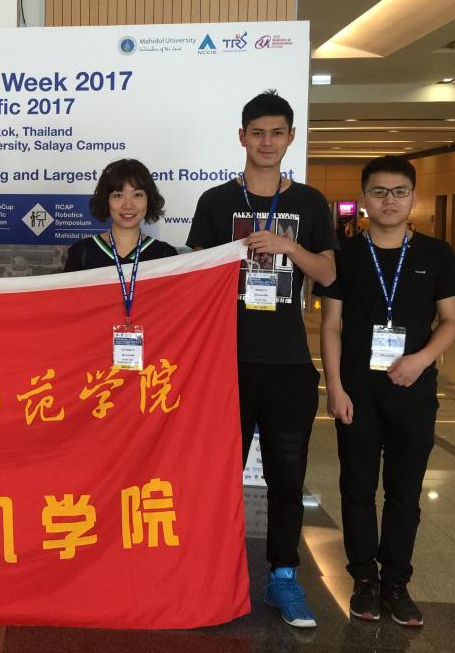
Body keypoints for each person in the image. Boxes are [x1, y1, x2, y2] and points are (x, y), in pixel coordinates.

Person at [186, 91, 337, 628]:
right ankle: (211, 573)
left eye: (276, 133)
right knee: (216, 475)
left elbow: (328, 274)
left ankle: (283, 576)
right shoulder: (215, 200)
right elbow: (194, 277)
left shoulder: (311, 203)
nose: (267, 142)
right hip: (223, 364)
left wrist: (287, 246)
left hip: (288, 364)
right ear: (242, 137)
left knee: (287, 478)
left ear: (291, 137)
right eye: (257, 133)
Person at [316, 156, 455, 627]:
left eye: (399, 191)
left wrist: (420, 360)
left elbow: (452, 321)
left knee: (404, 493)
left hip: (413, 391)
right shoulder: (344, 254)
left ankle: (396, 583)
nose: (389, 200)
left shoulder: (436, 254)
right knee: (357, 488)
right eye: (378, 191)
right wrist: (334, 387)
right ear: (363, 199)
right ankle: (364, 579)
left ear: (413, 197)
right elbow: (331, 325)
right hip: (357, 391)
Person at [63, 158, 177, 272]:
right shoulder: (81, 252)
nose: (128, 205)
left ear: (149, 199)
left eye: (137, 195)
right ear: (106, 200)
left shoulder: (166, 255)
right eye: (118, 195)